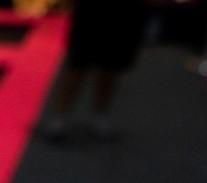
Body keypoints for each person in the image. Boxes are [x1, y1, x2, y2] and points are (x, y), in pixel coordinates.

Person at [44, 0, 149, 141]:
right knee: (78, 65)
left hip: (125, 11)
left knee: (111, 66)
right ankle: (59, 118)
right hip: (92, 9)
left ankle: (99, 116)